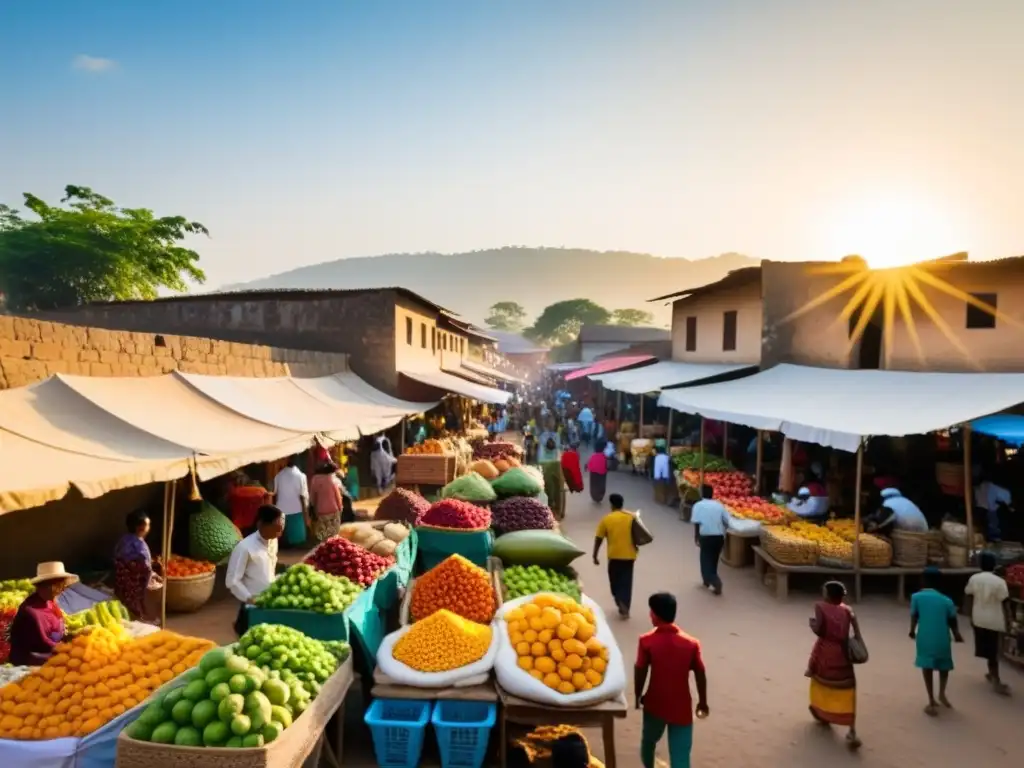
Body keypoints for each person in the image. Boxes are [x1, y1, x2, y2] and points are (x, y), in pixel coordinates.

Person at [635, 592, 707, 768]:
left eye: (651, 611)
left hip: (655, 704)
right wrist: (703, 702)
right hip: (681, 707)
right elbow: (700, 672)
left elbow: (640, 670)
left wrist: (638, 696)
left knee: (648, 742)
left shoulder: (647, 641)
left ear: (655, 615)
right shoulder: (691, 644)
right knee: (681, 755)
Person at [806, 581, 862, 749]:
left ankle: (822, 714)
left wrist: (813, 625)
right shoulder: (848, 611)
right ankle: (852, 730)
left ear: (828, 595)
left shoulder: (821, 607)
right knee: (847, 689)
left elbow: (821, 630)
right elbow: (857, 634)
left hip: (825, 653)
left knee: (820, 683)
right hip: (842, 654)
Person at [910, 566, 964, 716]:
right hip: (942, 637)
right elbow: (952, 620)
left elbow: (914, 616)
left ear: (924, 580)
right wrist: (957, 634)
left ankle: (931, 699)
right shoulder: (947, 600)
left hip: (925, 636)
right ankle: (942, 693)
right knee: (944, 666)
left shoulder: (916, 597)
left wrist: (911, 631)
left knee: (927, 666)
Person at [227, 504, 285, 636]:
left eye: (281, 529)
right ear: (261, 525)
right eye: (276, 529)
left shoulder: (273, 540)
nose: (279, 534)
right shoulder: (244, 547)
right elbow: (232, 580)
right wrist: (249, 598)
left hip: (268, 602)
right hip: (252, 603)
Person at [9, 562, 77, 666]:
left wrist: (73, 636)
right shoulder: (32, 611)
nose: (63, 589)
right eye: (59, 585)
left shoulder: (50, 602)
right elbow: (45, 643)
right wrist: (68, 649)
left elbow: (59, 629)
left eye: (64, 585)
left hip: (51, 651)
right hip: (32, 660)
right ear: (45, 585)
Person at [964, 551, 1012, 695]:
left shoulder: (974, 578)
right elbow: (1006, 604)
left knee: (986, 648)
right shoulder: (1000, 582)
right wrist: (1009, 622)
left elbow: (969, 597)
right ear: (995, 565)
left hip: (979, 618)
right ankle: (996, 680)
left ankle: (992, 674)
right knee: (994, 651)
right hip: (995, 620)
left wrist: (970, 616)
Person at [593, 493, 638, 618]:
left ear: (611, 504)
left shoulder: (607, 519)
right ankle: (624, 605)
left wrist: (595, 555)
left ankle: (620, 602)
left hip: (614, 556)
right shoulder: (631, 517)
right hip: (630, 555)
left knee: (615, 581)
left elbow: (599, 538)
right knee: (627, 582)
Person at [113, 510, 163, 620]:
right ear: (140, 528)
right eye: (147, 525)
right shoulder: (140, 545)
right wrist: (155, 573)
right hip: (134, 582)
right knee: (157, 588)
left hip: (121, 581)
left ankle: (131, 614)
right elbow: (144, 567)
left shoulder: (124, 540)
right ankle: (144, 616)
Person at [690, 484, 729, 595]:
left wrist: (696, 536)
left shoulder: (698, 505)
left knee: (705, 560)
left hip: (706, 536)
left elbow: (696, 523)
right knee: (714, 560)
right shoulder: (719, 505)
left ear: (701, 493)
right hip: (719, 537)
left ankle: (715, 581)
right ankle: (707, 581)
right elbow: (727, 521)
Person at [273, 455, 309, 548]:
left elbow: (275, 494)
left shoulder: (278, 476)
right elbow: (302, 496)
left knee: (283, 534)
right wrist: (306, 515)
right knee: (297, 537)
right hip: (296, 509)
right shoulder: (301, 476)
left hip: (281, 508)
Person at [309, 461, 344, 543]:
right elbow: (337, 496)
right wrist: (340, 507)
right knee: (334, 534)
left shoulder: (315, 479)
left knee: (324, 535)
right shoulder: (332, 479)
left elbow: (312, 497)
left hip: (320, 511)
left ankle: (325, 549)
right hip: (333, 510)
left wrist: (313, 507)